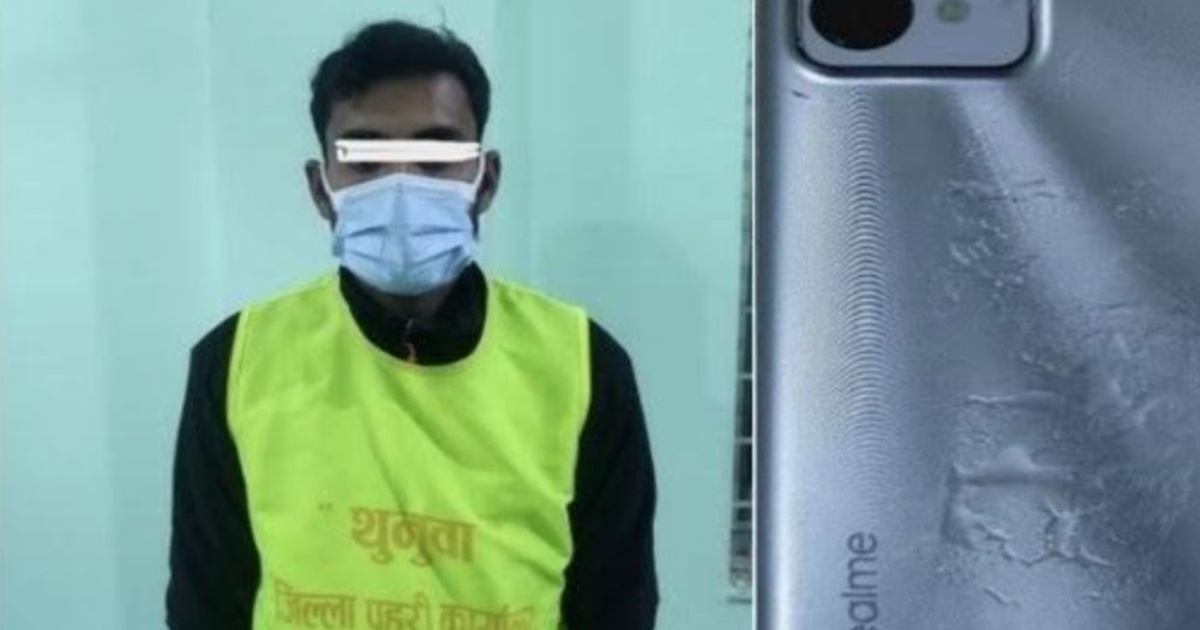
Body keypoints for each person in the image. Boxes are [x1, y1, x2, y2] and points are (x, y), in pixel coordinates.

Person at [166, 19, 658, 629]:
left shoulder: (583, 363)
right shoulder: (237, 359)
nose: (402, 188)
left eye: (436, 157)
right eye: (366, 160)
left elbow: (616, 605)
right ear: (320, 190)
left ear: (486, 181)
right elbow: (205, 602)